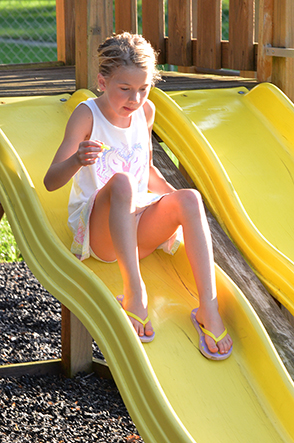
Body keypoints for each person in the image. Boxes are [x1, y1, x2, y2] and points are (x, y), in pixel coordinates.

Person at [44, 32, 232, 358]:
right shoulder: (87, 115)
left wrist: (185, 211)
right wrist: (77, 160)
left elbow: (147, 171)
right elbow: (50, 181)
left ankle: (208, 309)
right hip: (101, 236)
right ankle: (134, 291)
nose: (135, 98)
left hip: (139, 225)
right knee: (121, 184)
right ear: (102, 82)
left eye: (144, 89)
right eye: (125, 89)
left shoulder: (146, 113)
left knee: (189, 198)